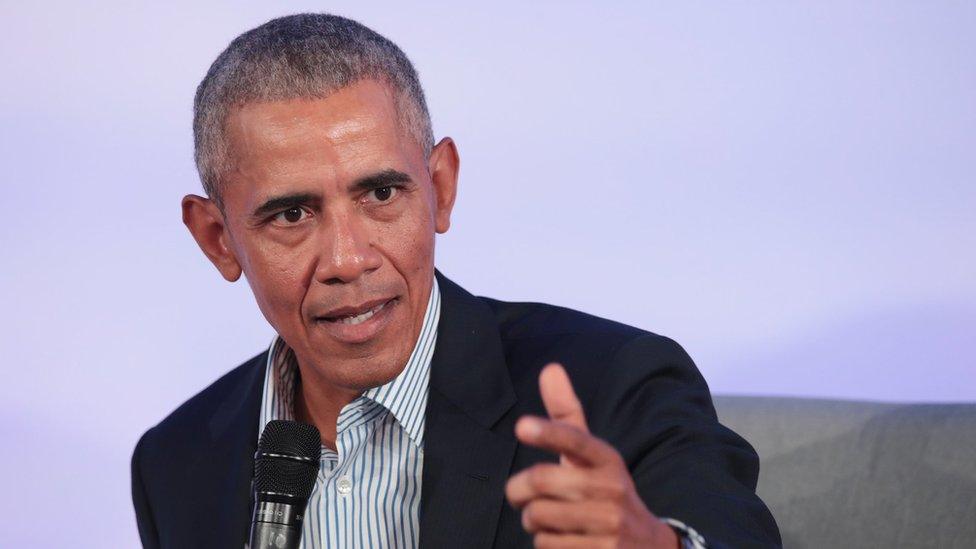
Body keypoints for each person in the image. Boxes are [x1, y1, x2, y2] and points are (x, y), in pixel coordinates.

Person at [131, 13, 781, 549]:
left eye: (382, 192)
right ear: (218, 238)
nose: (348, 258)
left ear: (440, 188)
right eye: (292, 214)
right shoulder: (178, 462)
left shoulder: (617, 384)